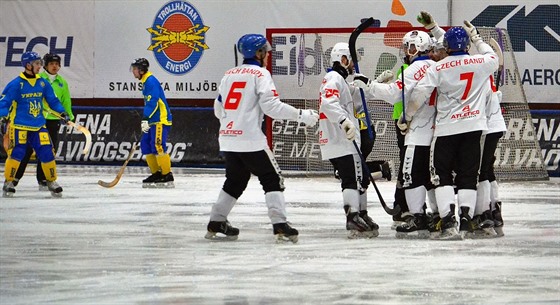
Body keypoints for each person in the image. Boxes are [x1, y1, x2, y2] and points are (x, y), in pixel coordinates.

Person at [205, 34, 319, 243]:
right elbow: (272, 107)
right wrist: (301, 116)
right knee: (272, 179)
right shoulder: (261, 74)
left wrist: (233, 123)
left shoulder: (228, 74)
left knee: (235, 180)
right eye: (265, 51)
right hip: (251, 139)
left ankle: (216, 221)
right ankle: (280, 225)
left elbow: (217, 109)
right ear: (258, 53)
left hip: (227, 139)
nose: (267, 55)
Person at [409, 22, 498, 240]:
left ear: (446, 46)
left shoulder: (437, 67)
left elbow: (420, 94)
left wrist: (407, 116)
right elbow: (493, 55)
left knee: (441, 174)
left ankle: (448, 221)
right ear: (466, 45)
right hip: (474, 127)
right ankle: (466, 219)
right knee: (469, 175)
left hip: (446, 129)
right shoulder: (481, 62)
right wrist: (477, 39)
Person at [354, 29, 438, 239]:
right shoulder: (438, 65)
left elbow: (394, 94)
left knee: (410, 176)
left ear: (416, 46)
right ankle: (440, 216)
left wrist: (371, 85)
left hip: (417, 130)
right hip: (438, 131)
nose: (406, 50)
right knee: (433, 177)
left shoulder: (415, 68)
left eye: (408, 46)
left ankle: (417, 216)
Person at [318, 42, 379, 239]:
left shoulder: (341, 80)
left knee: (359, 178)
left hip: (344, 139)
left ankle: (361, 213)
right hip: (340, 139)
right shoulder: (333, 78)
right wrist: (344, 121)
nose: (353, 64)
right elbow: (328, 103)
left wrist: (375, 83)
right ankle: (352, 216)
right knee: (351, 179)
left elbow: (355, 94)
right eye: (351, 60)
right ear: (343, 59)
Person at [0, 51, 69, 197]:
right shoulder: (16, 84)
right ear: (28, 65)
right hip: (20, 126)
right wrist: (2, 117)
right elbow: (4, 103)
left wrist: (62, 113)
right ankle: (9, 182)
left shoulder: (42, 83)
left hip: (38, 125)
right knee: (17, 153)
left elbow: (53, 100)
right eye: (37, 63)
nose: (40, 66)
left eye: (40, 63)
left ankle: (51, 181)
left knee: (47, 152)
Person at [130, 58, 174, 188]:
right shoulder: (145, 81)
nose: (133, 71)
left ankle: (167, 174)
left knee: (158, 145)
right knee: (145, 145)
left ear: (142, 70)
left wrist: (145, 118)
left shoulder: (150, 81)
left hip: (160, 119)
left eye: (135, 69)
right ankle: (156, 173)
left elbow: (153, 102)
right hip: (152, 119)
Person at [474, 86, 507, 238]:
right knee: (487, 168)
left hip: (487, 125)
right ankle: (494, 211)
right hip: (493, 123)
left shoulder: (479, 70)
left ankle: (484, 214)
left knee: (481, 170)